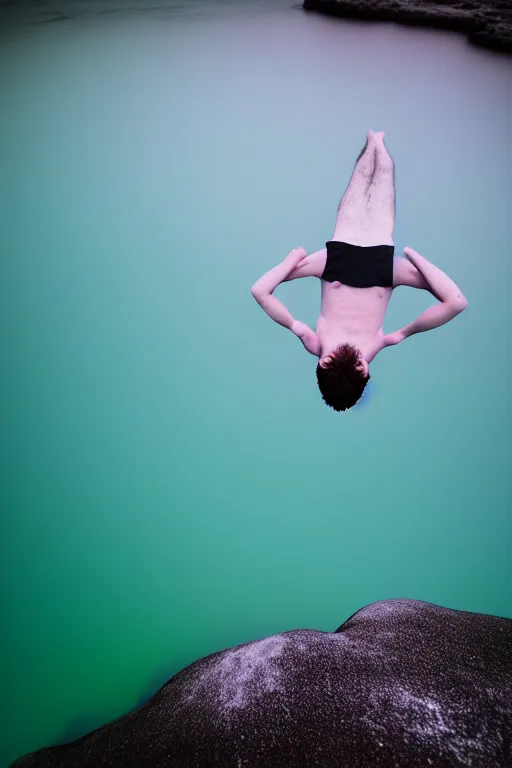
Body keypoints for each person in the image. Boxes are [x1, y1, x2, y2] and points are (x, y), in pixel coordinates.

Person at [251, 130, 468, 412]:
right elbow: (456, 302)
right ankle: (378, 141)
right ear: (365, 371)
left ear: (322, 362)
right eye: (360, 365)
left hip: (337, 265)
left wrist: (289, 262)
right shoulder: (373, 348)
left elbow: (260, 291)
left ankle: (373, 140)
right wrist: (405, 330)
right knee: (384, 172)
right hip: (381, 270)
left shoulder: (315, 343)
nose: (354, 357)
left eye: (332, 359)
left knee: (363, 180)